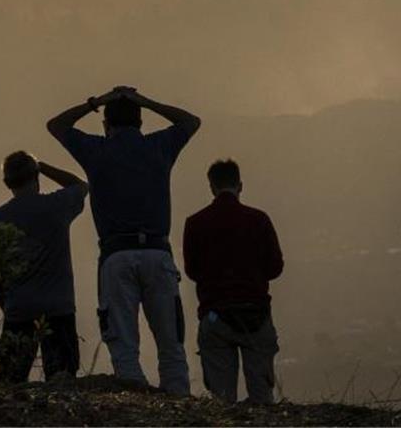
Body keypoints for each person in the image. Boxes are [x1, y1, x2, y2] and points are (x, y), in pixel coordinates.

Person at [48, 86, 200, 394]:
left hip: (116, 256)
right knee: (171, 344)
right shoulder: (159, 145)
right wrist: (147, 100)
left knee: (124, 346)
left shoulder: (96, 150)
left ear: (106, 125)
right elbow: (190, 122)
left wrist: (96, 101)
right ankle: (179, 402)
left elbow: (56, 125)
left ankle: (135, 405)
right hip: (157, 253)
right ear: (141, 123)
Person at [183, 159, 283, 404]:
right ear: (240, 185)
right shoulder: (259, 220)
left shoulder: (195, 223)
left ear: (211, 187)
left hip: (216, 315)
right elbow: (275, 268)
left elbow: (193, 271)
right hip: (256, 316)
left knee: (222, 401)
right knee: (262, 396)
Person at [0, 151, 88, 382]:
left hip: (19, 307)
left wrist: (8, 303)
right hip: (57, 307)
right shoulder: (57, 205)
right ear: (36, 176)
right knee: (61, 377)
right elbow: (80, 185)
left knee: (10, 380)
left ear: (7, 183)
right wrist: (42, 165)